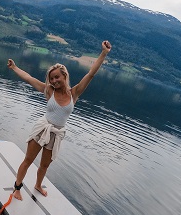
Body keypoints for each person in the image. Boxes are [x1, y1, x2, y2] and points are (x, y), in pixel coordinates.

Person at [7, 40, 112, 200]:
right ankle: (17, 188)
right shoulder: (48, 91)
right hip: (43, 129)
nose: (54, 81)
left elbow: (91, 73)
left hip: (56, 134)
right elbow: (29, 78)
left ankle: (37, 185)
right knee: (28, 159)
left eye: (57, 77)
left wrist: (103, 53)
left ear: (64, 76)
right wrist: (14, 67)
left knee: (44, 165)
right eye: (51, 79)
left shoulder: (74, 93)